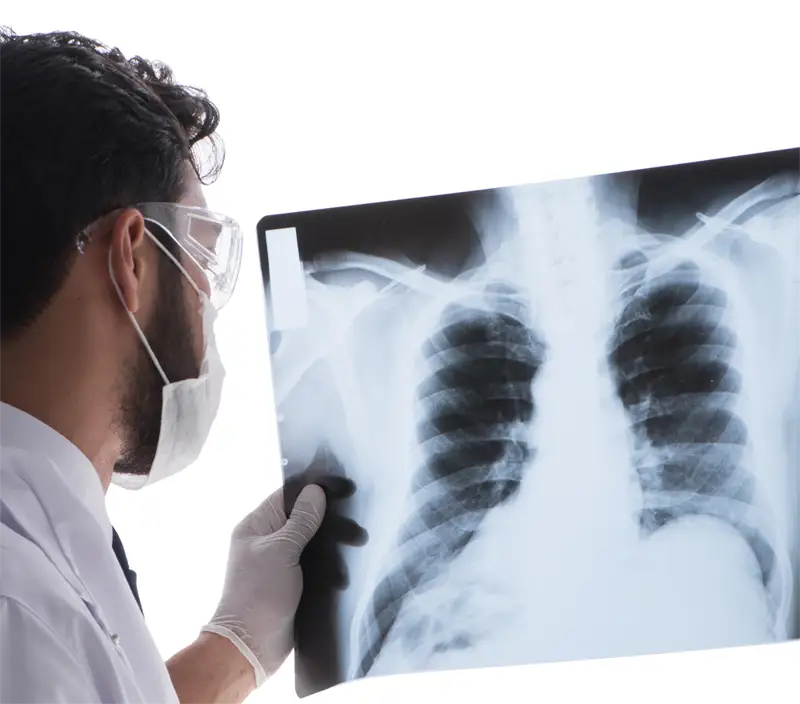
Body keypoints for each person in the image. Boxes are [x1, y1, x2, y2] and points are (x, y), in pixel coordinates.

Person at [0, 27, 327, 704]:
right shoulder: (21, 610)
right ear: (134, 256)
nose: (208, 301)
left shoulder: (40, 578)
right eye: (203, 257)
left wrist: (233, 647)